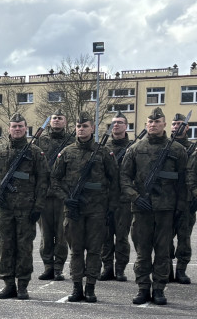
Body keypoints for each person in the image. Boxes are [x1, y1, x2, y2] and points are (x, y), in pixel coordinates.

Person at [120, 106, 188, 306]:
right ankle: (143, 287)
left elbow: (183, 182)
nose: (153, 124)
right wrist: (134, 197)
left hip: (166, 209)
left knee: (163, 252)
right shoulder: (135, 149)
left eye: (157, 122)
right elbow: (124, 178)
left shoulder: (177, 150)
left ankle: (159, 288)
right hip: (142, 209)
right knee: (142, 252)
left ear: (164, 124)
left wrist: (180, 209)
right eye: (150, 122)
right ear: (146, 124)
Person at [0, 113, 49, 299]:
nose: (17, 129)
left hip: (27, 209)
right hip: (5, 209)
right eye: (14, 126)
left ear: (26, 128)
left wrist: (38, 207)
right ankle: (8, 284)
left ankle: (23, 285)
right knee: (5, 246)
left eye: (20, 126)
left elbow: (43, 181)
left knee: (24, 247)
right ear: (9, 129)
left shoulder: (35, 152)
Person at [50, 115, 118, 302]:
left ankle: (90, 287)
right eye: (78, 126)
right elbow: (54, 180)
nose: (81, 129)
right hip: (74, 210)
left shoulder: (103, 152)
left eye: (85, 126)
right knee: (76, 251)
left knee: (94, 251)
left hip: (97, 209)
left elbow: (115, 181)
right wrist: (66, 199)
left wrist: (111, 207)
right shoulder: (67, 152)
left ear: (92, 128)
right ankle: (77, 287)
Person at [36, 110, 72, 281]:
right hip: (43, 195)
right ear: (50, 122)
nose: (56, 120)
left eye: (60, 118)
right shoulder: (39, 141)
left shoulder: (72, 141)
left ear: (65, 122)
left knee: (62, 234)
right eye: (54, 118)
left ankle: (58, 268)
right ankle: (48, 267)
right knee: (46, 235)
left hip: (62, 196)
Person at [100, 112, 133, 282]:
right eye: (113, 123)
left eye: (120, 122)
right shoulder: (103, 148)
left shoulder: (133, 147)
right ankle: (107, 267)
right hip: (105, 198)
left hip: (124, 199)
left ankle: (120, 269)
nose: (116, 125)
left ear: (126, 126)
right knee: (105, 235)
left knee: (121, 236)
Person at [169, 112, 194, 283]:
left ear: (187, 128)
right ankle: (167, 269)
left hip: (187, 201)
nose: (177, 126)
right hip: (167, 199)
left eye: (180, 123)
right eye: (174, 123)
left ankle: (181, 270)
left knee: (184, 238)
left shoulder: (194, 148)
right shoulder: (165, 146)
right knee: (164, 238)